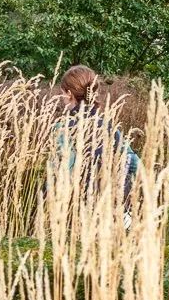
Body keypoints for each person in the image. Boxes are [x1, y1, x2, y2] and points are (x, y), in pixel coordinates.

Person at [54, 64, 140, 202]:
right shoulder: (109, 127)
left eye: (63, 93)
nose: (62, 97)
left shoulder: (63, 128)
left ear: (69, 94)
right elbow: (135, 163)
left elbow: (63, 170)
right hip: (113, 207)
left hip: (79, 209)